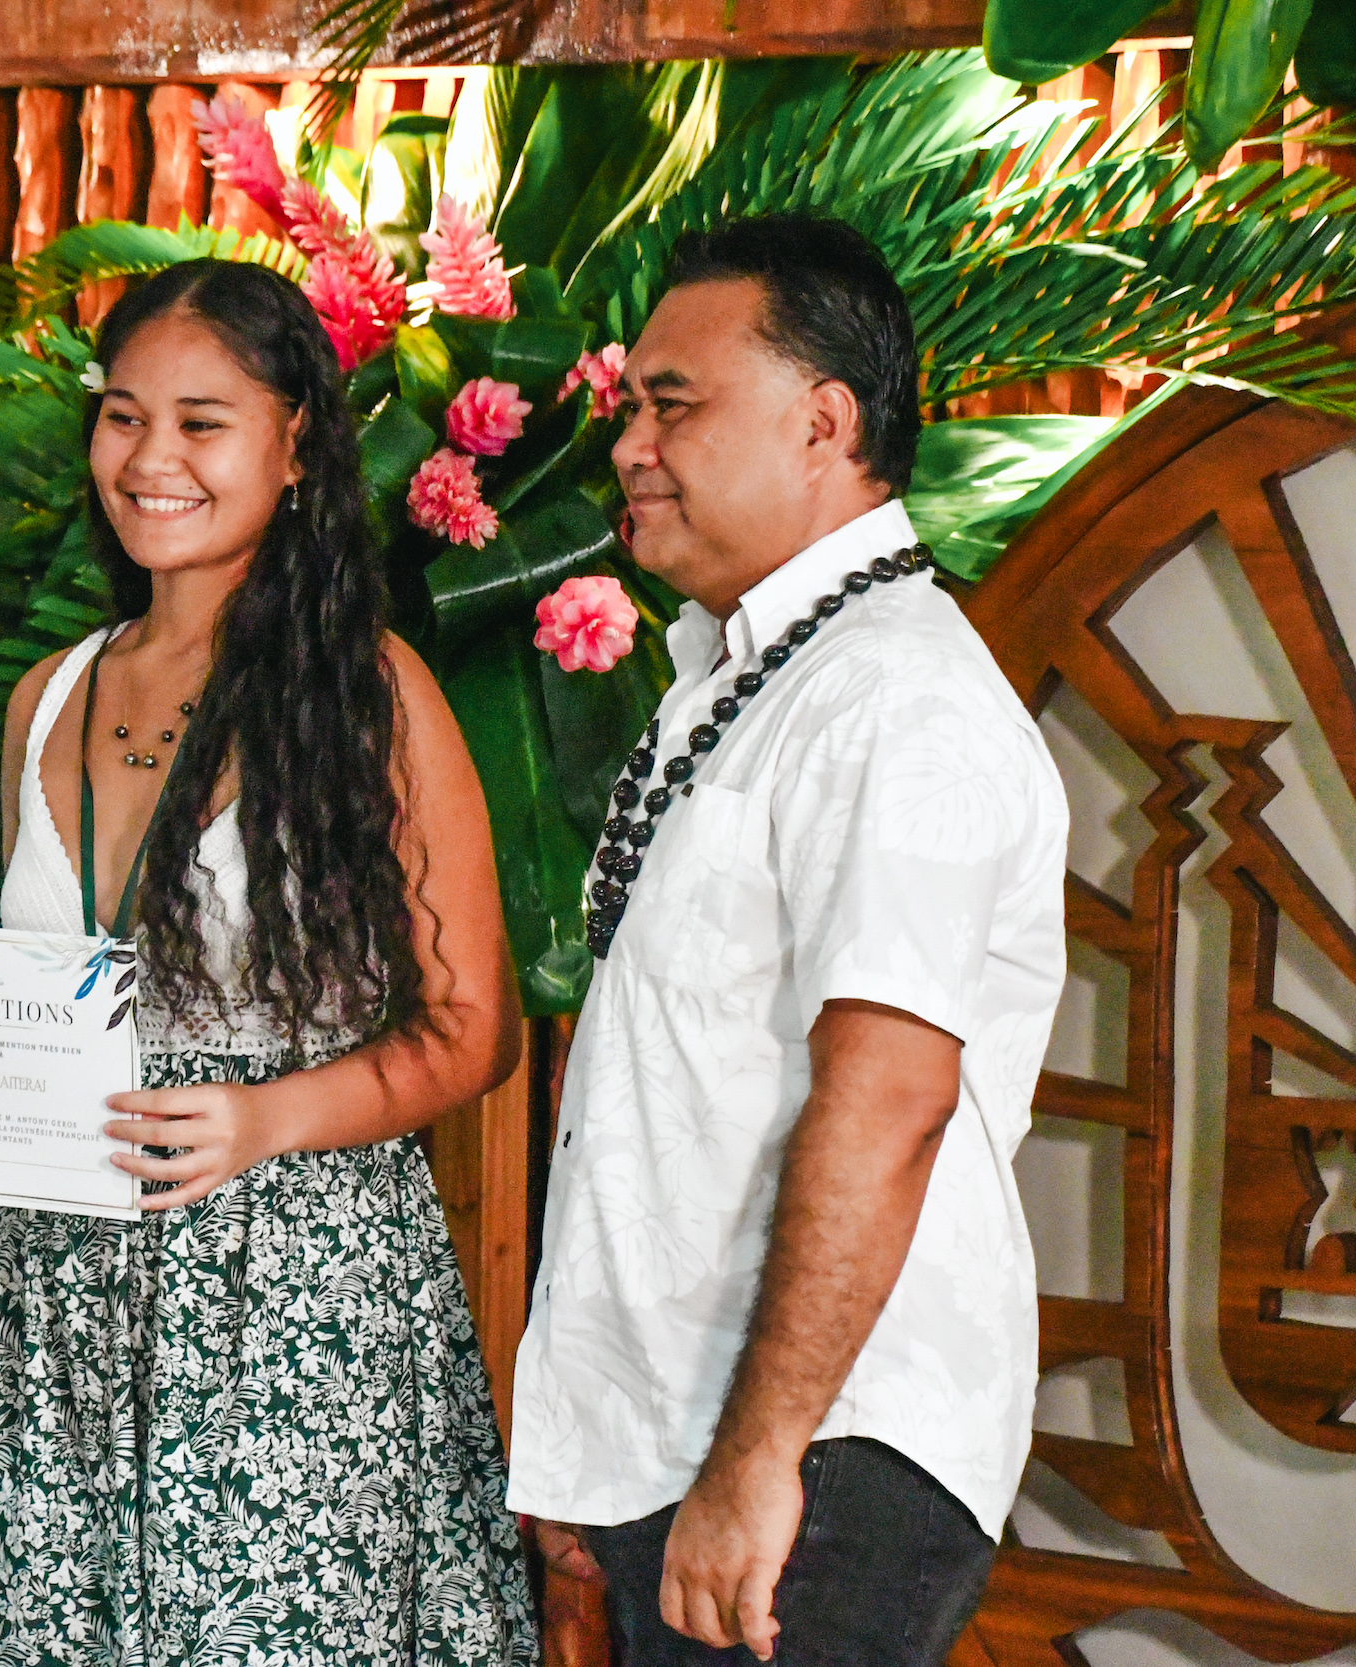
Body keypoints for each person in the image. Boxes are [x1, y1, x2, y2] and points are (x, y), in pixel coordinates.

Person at [0, 258, 541, 1664]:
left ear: (297, 444)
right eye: (124, 417)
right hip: (59, 1318)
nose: (151, 460)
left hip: (296, 1306)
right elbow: (17, 1012)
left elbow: (472, 1029)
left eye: (203, 423)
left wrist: (265, 1120)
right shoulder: (47, 696)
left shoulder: (373, 692)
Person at [511, 214, 1067, 1665]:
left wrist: (760, 1462)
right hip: (708, 1433)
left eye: (672, 405)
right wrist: (601, 1446)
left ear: (825, 424)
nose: (629, 446)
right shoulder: (752, 673)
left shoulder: (894, 696)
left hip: (822, 1447)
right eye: (631, 408)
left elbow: (889, 1098)